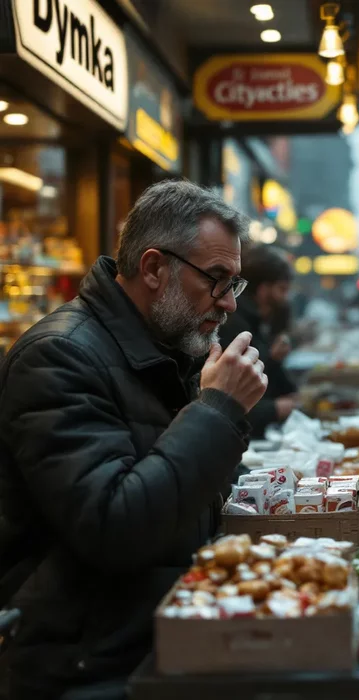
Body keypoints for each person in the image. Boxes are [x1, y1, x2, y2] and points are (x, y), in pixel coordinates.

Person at [0, 180, 267, 699]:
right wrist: (218, 410)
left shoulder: (166, 348)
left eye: (235, 284)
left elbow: (183, 496)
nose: (229, 305)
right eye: (216, 280)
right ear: (152, 268)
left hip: (154, 641)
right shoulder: (58, 357)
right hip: (86, 665)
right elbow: (116, 527)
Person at [218, 244, 297, 438]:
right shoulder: (234, 324)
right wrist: (276, 408)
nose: (285, 299)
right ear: (262, 289)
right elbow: (227, 401)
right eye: (282, 289)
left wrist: (274, 359)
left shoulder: (262, 321)